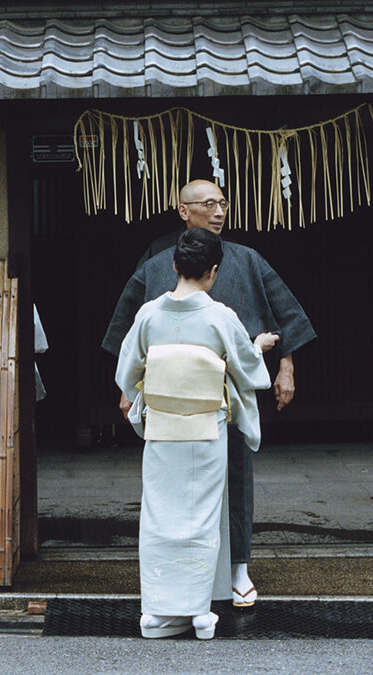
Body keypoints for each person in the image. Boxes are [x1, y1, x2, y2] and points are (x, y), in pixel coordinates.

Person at [103, 179, 316, 607]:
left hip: (224, 397)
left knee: (234, 475)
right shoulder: (157, 262)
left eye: (223, 202)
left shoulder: (247, 260)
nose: (219, 211)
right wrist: (129, 388)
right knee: (167, 491)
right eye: (208, 204)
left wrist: (286, 365)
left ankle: (238, 566)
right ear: (183, 211)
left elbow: (281, 315)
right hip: (170, 401)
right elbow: (129, 332)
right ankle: (170, 578)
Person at [115, 227, 278, 639]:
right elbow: (247, 371)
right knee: (200, 520)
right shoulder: (221, 316)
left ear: (174, 266)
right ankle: (197, 611)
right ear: (214, 271)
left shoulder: (149, 315)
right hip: (206, 432)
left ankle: (155, 610)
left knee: (158, 518)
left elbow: (126, 373)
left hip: (162, 432)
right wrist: (258, 346)